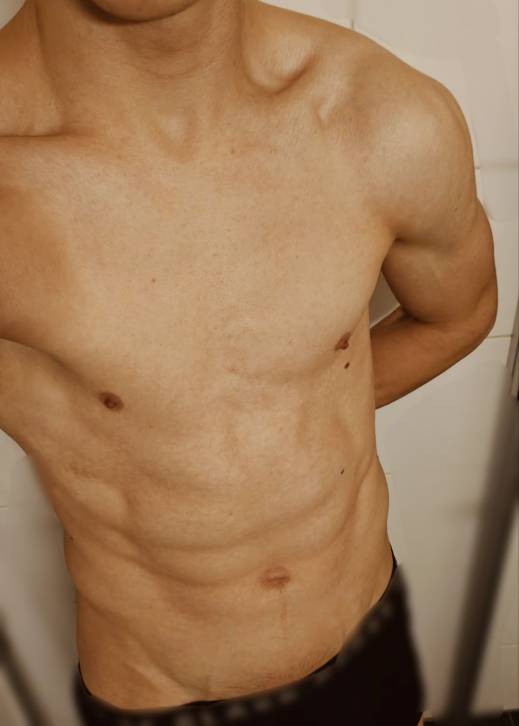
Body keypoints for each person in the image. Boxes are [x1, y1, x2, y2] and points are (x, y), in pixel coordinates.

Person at [0, 0, 498, 723]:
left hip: (370, 635)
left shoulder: (382, 115)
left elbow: (459, 314)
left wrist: (276, 417)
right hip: (162, 697)